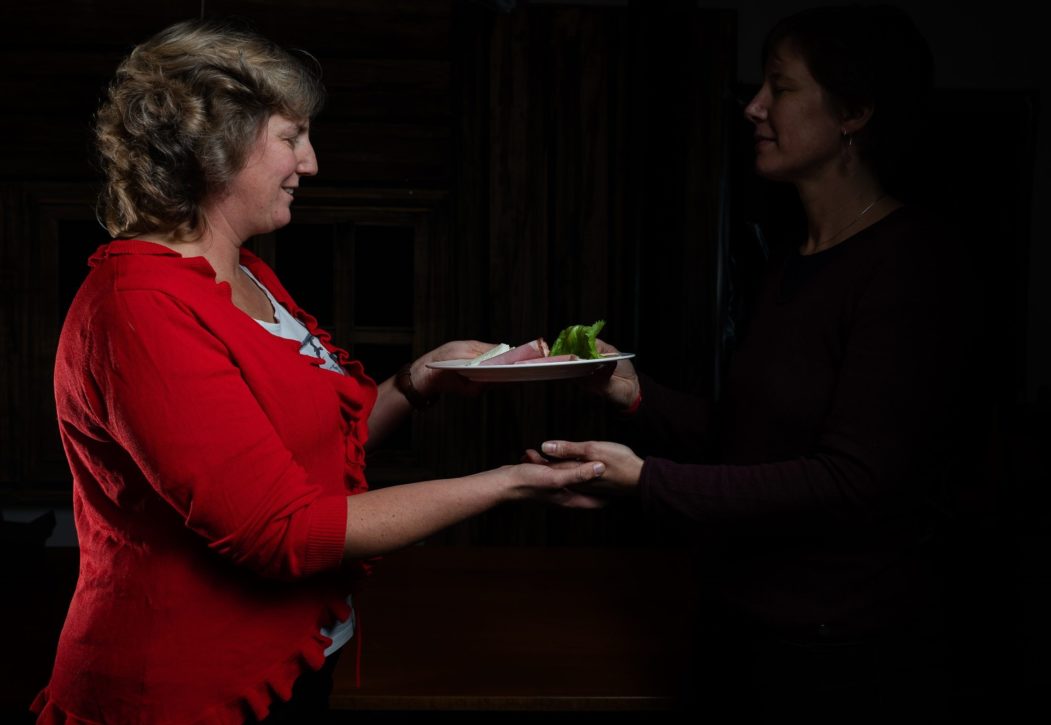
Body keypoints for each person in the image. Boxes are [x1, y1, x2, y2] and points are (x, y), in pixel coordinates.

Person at [32, 18, 604, 724]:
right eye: (290, 136)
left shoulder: (246, 273)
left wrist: (415, 382)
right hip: (184, 693)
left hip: (293, 659)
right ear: (218, 147)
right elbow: (281, 531)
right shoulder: (138, 310)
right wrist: (512, 483)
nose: (310, 163)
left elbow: (301, 451)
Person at [530, 5, 981, 723]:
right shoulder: (791, 263)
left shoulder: (911, 263)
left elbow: (851, 478)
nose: (753, 108)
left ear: (853, 112)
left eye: (780, 87)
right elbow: (750, 440)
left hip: (836, 654)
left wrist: (647, 482)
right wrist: (631, 391)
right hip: (741, 622)